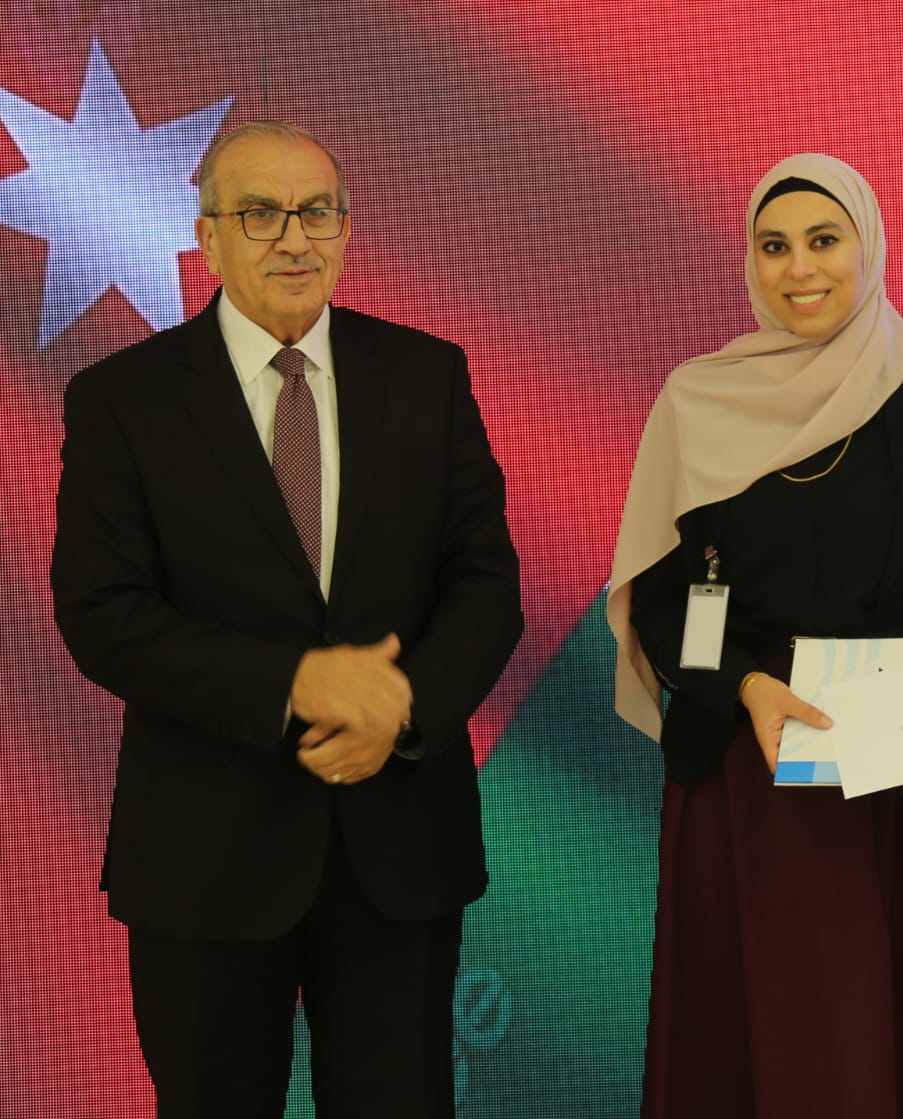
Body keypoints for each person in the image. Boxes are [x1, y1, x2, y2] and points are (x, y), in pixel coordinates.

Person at [51, 120, 523, 1118]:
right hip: (204, 859)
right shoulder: (122, 400)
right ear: (208, 236)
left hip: (398, 848)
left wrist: (399, 708)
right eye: (260, 214)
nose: (294, 239)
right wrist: (293, 684)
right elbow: (104, 614)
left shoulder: (428, 377)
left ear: (346, 229)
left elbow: (486, 587)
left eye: (317, 212)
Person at [607, 152, 903, 1118]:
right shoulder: (698, 402)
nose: (799, 269)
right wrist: (745, 686)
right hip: (755, 777)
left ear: (868, 247)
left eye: (823, 240)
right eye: (774, 247)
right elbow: (670, 608)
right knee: (790, 1058)